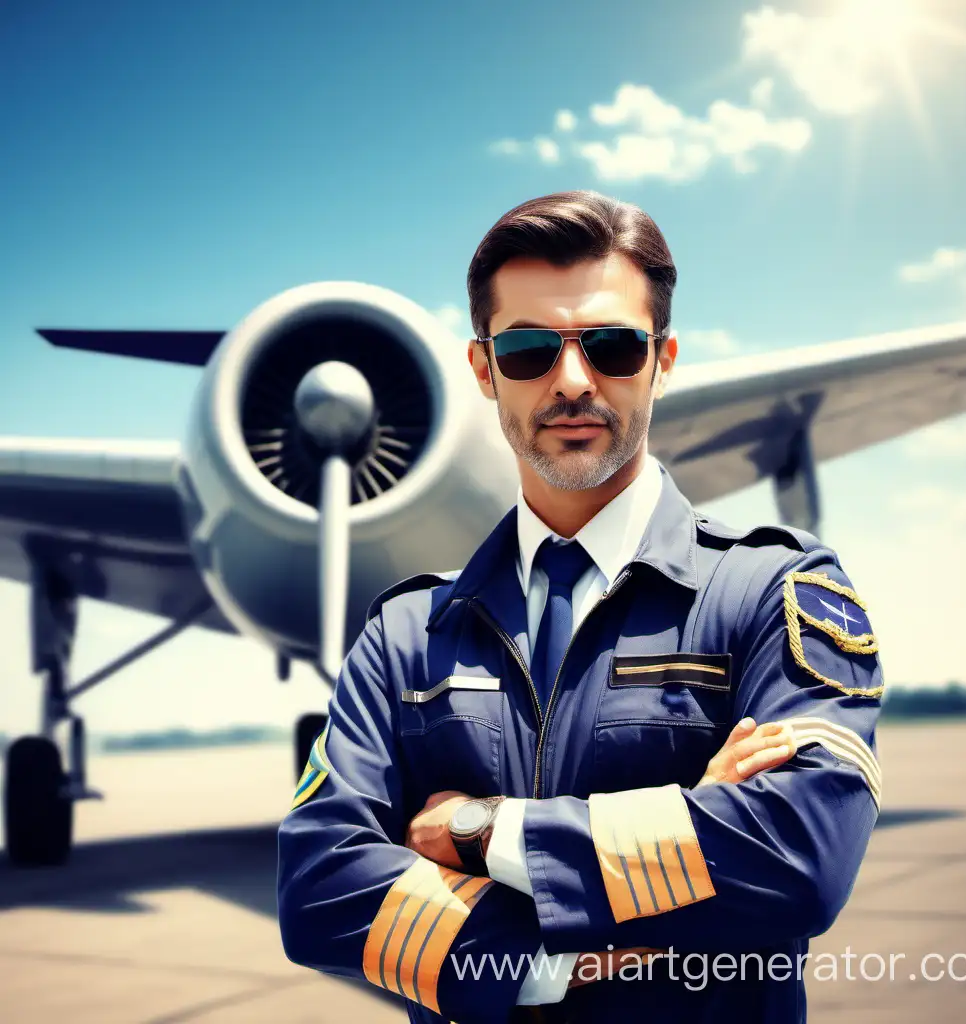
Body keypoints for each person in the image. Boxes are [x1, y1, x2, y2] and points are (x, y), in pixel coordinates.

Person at [277, 191, 882, 1023]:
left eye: (612, 347)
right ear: (484, 370)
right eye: (527, 350)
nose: (571, 380)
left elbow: (799, 857)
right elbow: (317, 890)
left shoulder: (776, 591)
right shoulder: (405, 634)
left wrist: (485, 832)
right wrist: (542, 960)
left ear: (663, 360)